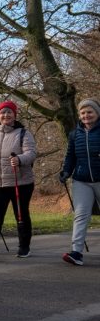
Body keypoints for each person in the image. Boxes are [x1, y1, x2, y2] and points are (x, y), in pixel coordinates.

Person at [0, 100, 37, 261]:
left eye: (9, 112)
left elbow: (31, 153)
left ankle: (24, 247)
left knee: (21, 215)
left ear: (14, 115)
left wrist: (19, 159)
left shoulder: (23, 133)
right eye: (2, 112)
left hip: (20, 182)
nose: (6, 115)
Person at [59, 98, 100, 266]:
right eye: (82, 113)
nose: (86, 115)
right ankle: (76, 252)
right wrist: (66, 171)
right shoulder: (75, 134)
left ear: (97, 113)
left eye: (90, 112)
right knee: (81, 215)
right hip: (81, 180)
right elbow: (71, 156)